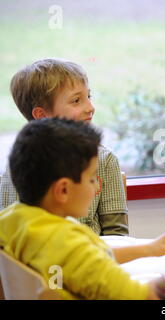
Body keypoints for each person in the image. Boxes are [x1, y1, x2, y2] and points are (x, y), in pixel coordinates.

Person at [0, 118, 165, 299]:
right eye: (92, 178)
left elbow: (89, 261)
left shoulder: (14, 220)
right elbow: (140, 295)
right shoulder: (68, 245)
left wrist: (148, 249)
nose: (97, 187)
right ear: (63, 190)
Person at [0, 58, 128, 236]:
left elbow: (117, 234)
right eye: (76, 100)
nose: (90, 107)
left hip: (93, 260)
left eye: (88, 97)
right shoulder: (17, 164)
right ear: (42, 115)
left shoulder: (104, 160)